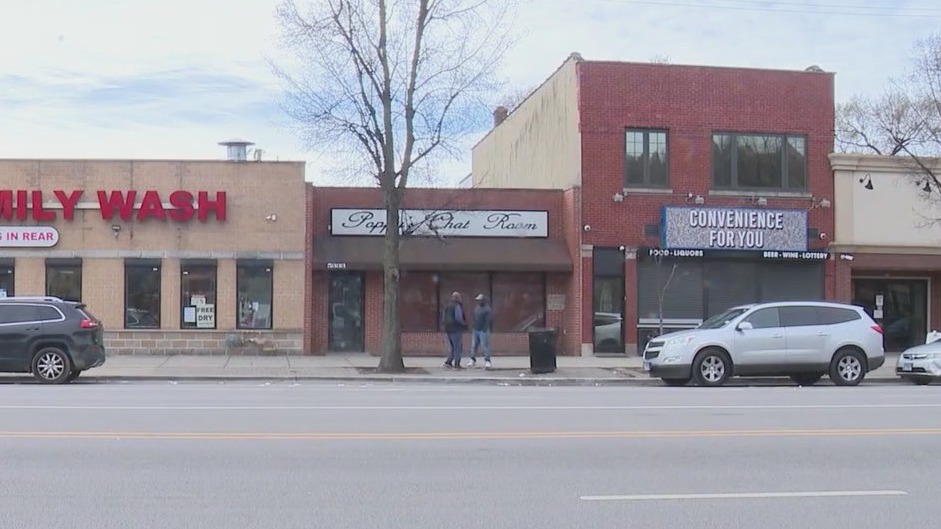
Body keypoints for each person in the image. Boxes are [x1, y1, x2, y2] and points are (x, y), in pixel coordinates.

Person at [442, 291, 467, 369]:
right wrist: (464, 324)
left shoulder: (447, 306)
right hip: (456, 329)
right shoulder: (457, 306)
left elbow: (443, 317)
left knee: (453, 347)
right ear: (458, 298)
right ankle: (457, 364)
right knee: (458, 347)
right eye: (460, 297)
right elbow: (458, 318)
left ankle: (448, 362)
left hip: (448, 329)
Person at [467, 293, 493, 368]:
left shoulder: (487, 309)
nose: (478, 301)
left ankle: (487, 360)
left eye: (480, 300)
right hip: (476, 329)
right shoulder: (477, 308)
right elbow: (474, 317)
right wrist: (473, 326)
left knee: (485, 345)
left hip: (483, 330)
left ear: (483, 300)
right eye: (478, 300)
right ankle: (472, 359)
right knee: (474, 346)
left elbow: (488, 320)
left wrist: (484, 329)